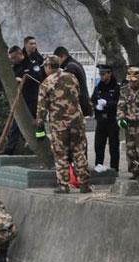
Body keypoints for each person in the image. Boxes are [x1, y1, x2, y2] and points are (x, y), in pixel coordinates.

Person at [36, 55, 91, 194]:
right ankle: (84, 183)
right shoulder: (72, 77)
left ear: (48, 67)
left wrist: (40, 125)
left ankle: (63, 185)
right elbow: (78, 93)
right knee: (79, 152)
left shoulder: (46, 84)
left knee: (61, 154)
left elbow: (42, 108)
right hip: (77, 122)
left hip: (59, 125)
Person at [5, 45, 42, 154]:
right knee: (16, 123)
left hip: (33, 98)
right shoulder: (15, 66)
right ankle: (10, 148)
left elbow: (38, 77)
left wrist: (24, 79)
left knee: (37, 124)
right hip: (21, 99)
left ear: (20, 54)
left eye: (14, 58)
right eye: (11, 58)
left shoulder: (32, 63)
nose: (12, 60)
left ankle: (41, 144)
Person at [91, 64, 120, 171]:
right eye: (100, 74)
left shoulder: (116, 87)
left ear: (109, 74)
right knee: (98, 146)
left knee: (113, 147)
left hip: (112, 120)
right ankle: (98, 166)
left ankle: (114, 168)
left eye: (104, 74)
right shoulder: (98, 87)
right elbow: (93, 100)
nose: (102, 77)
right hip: (101, 121)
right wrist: (96, 106)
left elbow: (118, 103)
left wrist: (107, 104)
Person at [53, 46, 92, 117]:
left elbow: (67, 88)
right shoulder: (74, 64)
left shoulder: (70, 68)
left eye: (57, 59)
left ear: (63, 56)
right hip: (82, 103)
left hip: (77, 106)